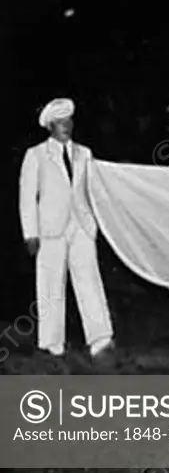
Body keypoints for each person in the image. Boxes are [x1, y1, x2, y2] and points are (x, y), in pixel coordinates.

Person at [18, 98, 115, 360]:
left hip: (81, 225)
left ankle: (100, 338)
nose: (66, 126)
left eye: (69, 121)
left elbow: (93, 190)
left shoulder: (85, 153)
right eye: (60, 122)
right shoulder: (36, 155)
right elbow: (27, 197)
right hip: (50, 228)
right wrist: (30, 233)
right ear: (50, 126)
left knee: (89, 280)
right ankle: (52, 342)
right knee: (50, 283)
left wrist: (95, 222)